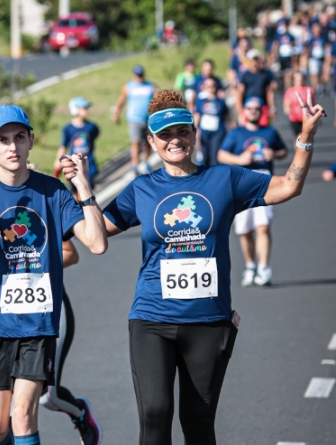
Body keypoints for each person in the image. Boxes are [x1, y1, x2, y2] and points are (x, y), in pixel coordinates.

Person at [61, 88, 324, 445]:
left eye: (183, 131)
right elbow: (98, 231)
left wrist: (305, 137)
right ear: (152, 142)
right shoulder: (142, 188)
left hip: (208, 322)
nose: (176, 140)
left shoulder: (225, 180)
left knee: (198, 423)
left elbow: (289, 186)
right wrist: (81, 188)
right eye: (165, 135)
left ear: (194, 134)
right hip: (152, 319)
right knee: (154, 415)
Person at [0, 105, 107, 445]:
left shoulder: (53, 191)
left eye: (19, 138)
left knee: (23, 416)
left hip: (37, 322)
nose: (12, 147)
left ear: (31, 141)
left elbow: (97, 243)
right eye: (2, 140)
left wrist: (83, 187)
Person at [0, 241, 103, 445]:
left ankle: (80, 414)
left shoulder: (38, 213)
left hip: (45, 314)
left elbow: (71, 254)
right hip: (3, 320)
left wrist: (27, 266)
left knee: (48, 396)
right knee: (3, 414)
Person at [217, 96, 288, 286]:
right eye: (249, 108)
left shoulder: (270, 132)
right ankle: (250, 266)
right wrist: (240, 160)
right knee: (245, 230)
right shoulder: (235, 133)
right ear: (244, 111)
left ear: (262, 111)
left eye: (257, 108)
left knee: (263, 226)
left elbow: (283, 152)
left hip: (264, 181)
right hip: (241, 182)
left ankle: (263, 267)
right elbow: (221, 155)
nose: (253, 111)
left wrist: (274, 154)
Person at [113, 65, 157, 175]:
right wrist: (116, 114)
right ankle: (135, 165)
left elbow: (157, 99)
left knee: (148, 142)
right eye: (138, 75)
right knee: (135, 143)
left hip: (147, 119)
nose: (139, 77)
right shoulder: (128, 87)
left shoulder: (150, 86)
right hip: (134, 119)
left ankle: (146, 162)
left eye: (141, 75)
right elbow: (121, 101)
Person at [54, 96, 100, 189]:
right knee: (75, 193)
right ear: (75, 110)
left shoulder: (92, 127)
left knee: (88, 191)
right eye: (84, 108)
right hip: (74, 166)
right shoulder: (67, 129)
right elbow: (63, 146)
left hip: (89, 164)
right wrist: (58, 160)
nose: (87, 110)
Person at [193, 77, 233, 166]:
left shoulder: (221, 101)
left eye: (213, 85)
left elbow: (228, 117)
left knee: (214, 157)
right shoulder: (201, 101)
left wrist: (235, 128)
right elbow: (197, 116)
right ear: (205, 87)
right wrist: (194, 130)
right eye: (208, 86)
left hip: (218, 133)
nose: (211, 88)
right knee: (204, 157)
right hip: (204, 132)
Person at [236, 49, 277, 127]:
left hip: (262, 106)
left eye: (256, 59)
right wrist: (239, 108)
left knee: (263, 127)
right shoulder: (245, 75)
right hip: (248, 106)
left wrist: (272, 108)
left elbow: (269, 92)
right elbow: (240, 92)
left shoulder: (265, 74)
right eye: (253, 60)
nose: (255, 62)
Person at [283, 71, 316, 137]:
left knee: (305, 136)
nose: (299, 81)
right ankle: (297, 147)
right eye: (297, 79)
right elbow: (286, 103)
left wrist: (316, 116)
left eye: (300, 79)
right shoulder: (290, 91)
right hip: (294, 118)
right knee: (297, 136)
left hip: (306, 117)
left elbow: (313, 103)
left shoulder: (309, 89)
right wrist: (287, 109)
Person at [271, 18, 296, 90]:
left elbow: (294, 46)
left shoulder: (290, 36)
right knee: (281, 73)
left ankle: (288, 88)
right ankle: (282, 85)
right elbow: (276, 45)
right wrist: (275, 54)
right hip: (281, 57)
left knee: (288, 73)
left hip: (288, 56)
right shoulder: (278, 35)